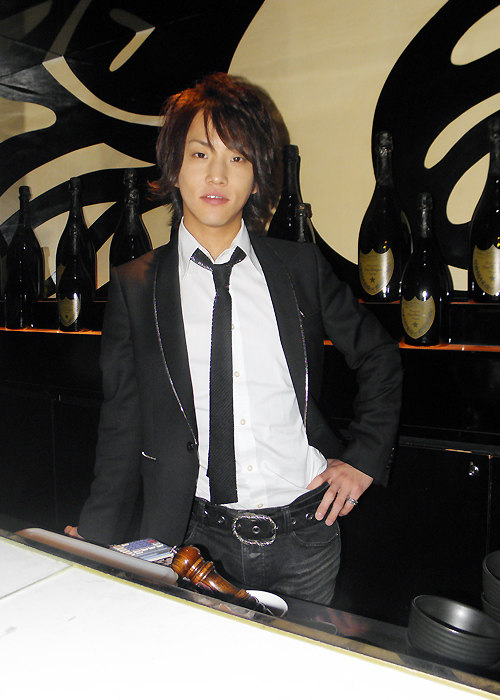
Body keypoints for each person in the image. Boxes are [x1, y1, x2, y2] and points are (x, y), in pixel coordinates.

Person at [66, 72, 403, 606]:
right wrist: (96, 534)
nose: (217, 174)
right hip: (194, 540)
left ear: (257, 176)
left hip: (307, 532)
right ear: (174, 167)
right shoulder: (136, 286)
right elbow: (122, 420)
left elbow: (379, 355)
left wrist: (364, 457)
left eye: (238, 157)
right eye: (200, 154)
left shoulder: (299, 268)